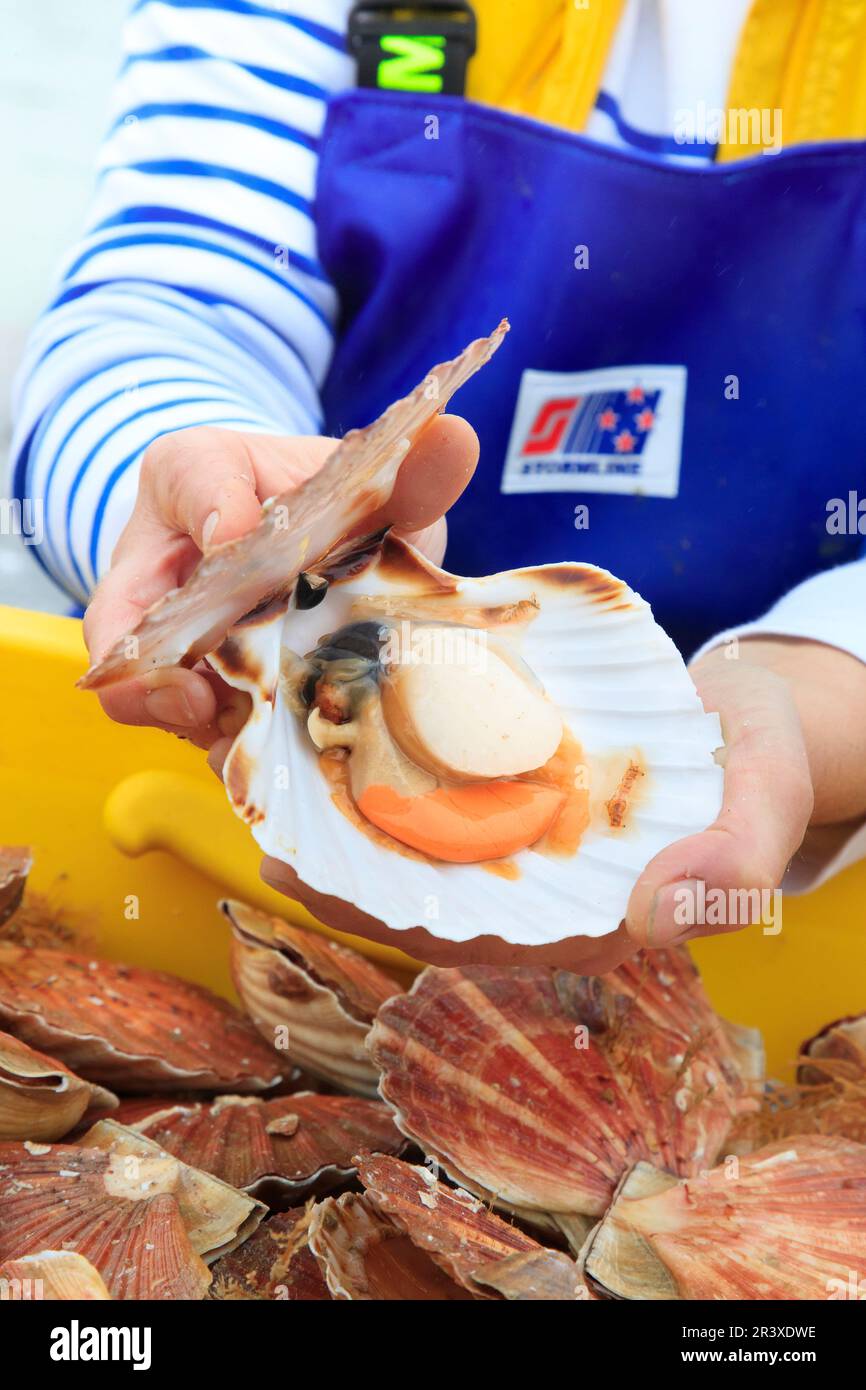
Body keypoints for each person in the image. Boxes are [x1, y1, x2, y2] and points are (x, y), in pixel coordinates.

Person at [10, 0, 866, 971]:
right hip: (244, 766)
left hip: (820, 875)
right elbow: (176, 296)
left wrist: (831, 671)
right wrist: (216, 507)